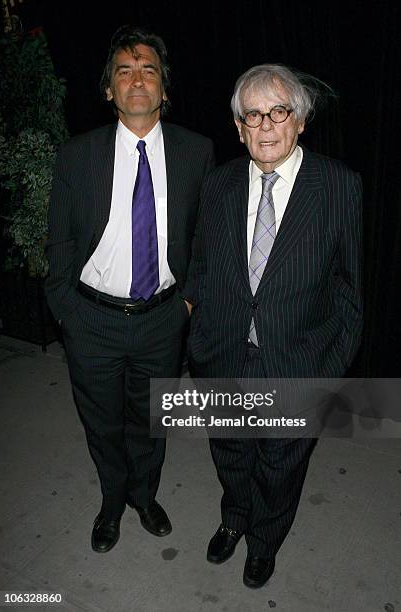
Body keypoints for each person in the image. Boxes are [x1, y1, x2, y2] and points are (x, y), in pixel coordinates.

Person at [183, 64, 363, 588]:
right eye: (252, 115)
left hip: (297, 362)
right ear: (238, 127)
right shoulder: (216, 185)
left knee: (281, 464)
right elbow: (200, 267)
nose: (266, 126)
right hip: (224, 356)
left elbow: (350, 293)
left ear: (300, 120)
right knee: (231, 449)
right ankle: (235, 518)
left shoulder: (338, 186)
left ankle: (264, 540)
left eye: (278, 111)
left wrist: (327, 373)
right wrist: (200, 344)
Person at [45, 25, 214, 553]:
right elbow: (60, 244)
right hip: (91, 318)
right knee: (102, 422)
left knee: (149, 420)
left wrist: (186, 303)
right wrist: (68, 313)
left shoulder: (197, 151)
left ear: (164, 89)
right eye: (124, 71)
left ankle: (145, 495)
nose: (136, 80)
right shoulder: (77, 155)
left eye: (148, 71)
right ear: (109, 90)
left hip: (163, 317)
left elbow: (205, 239)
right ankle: (111, 501)